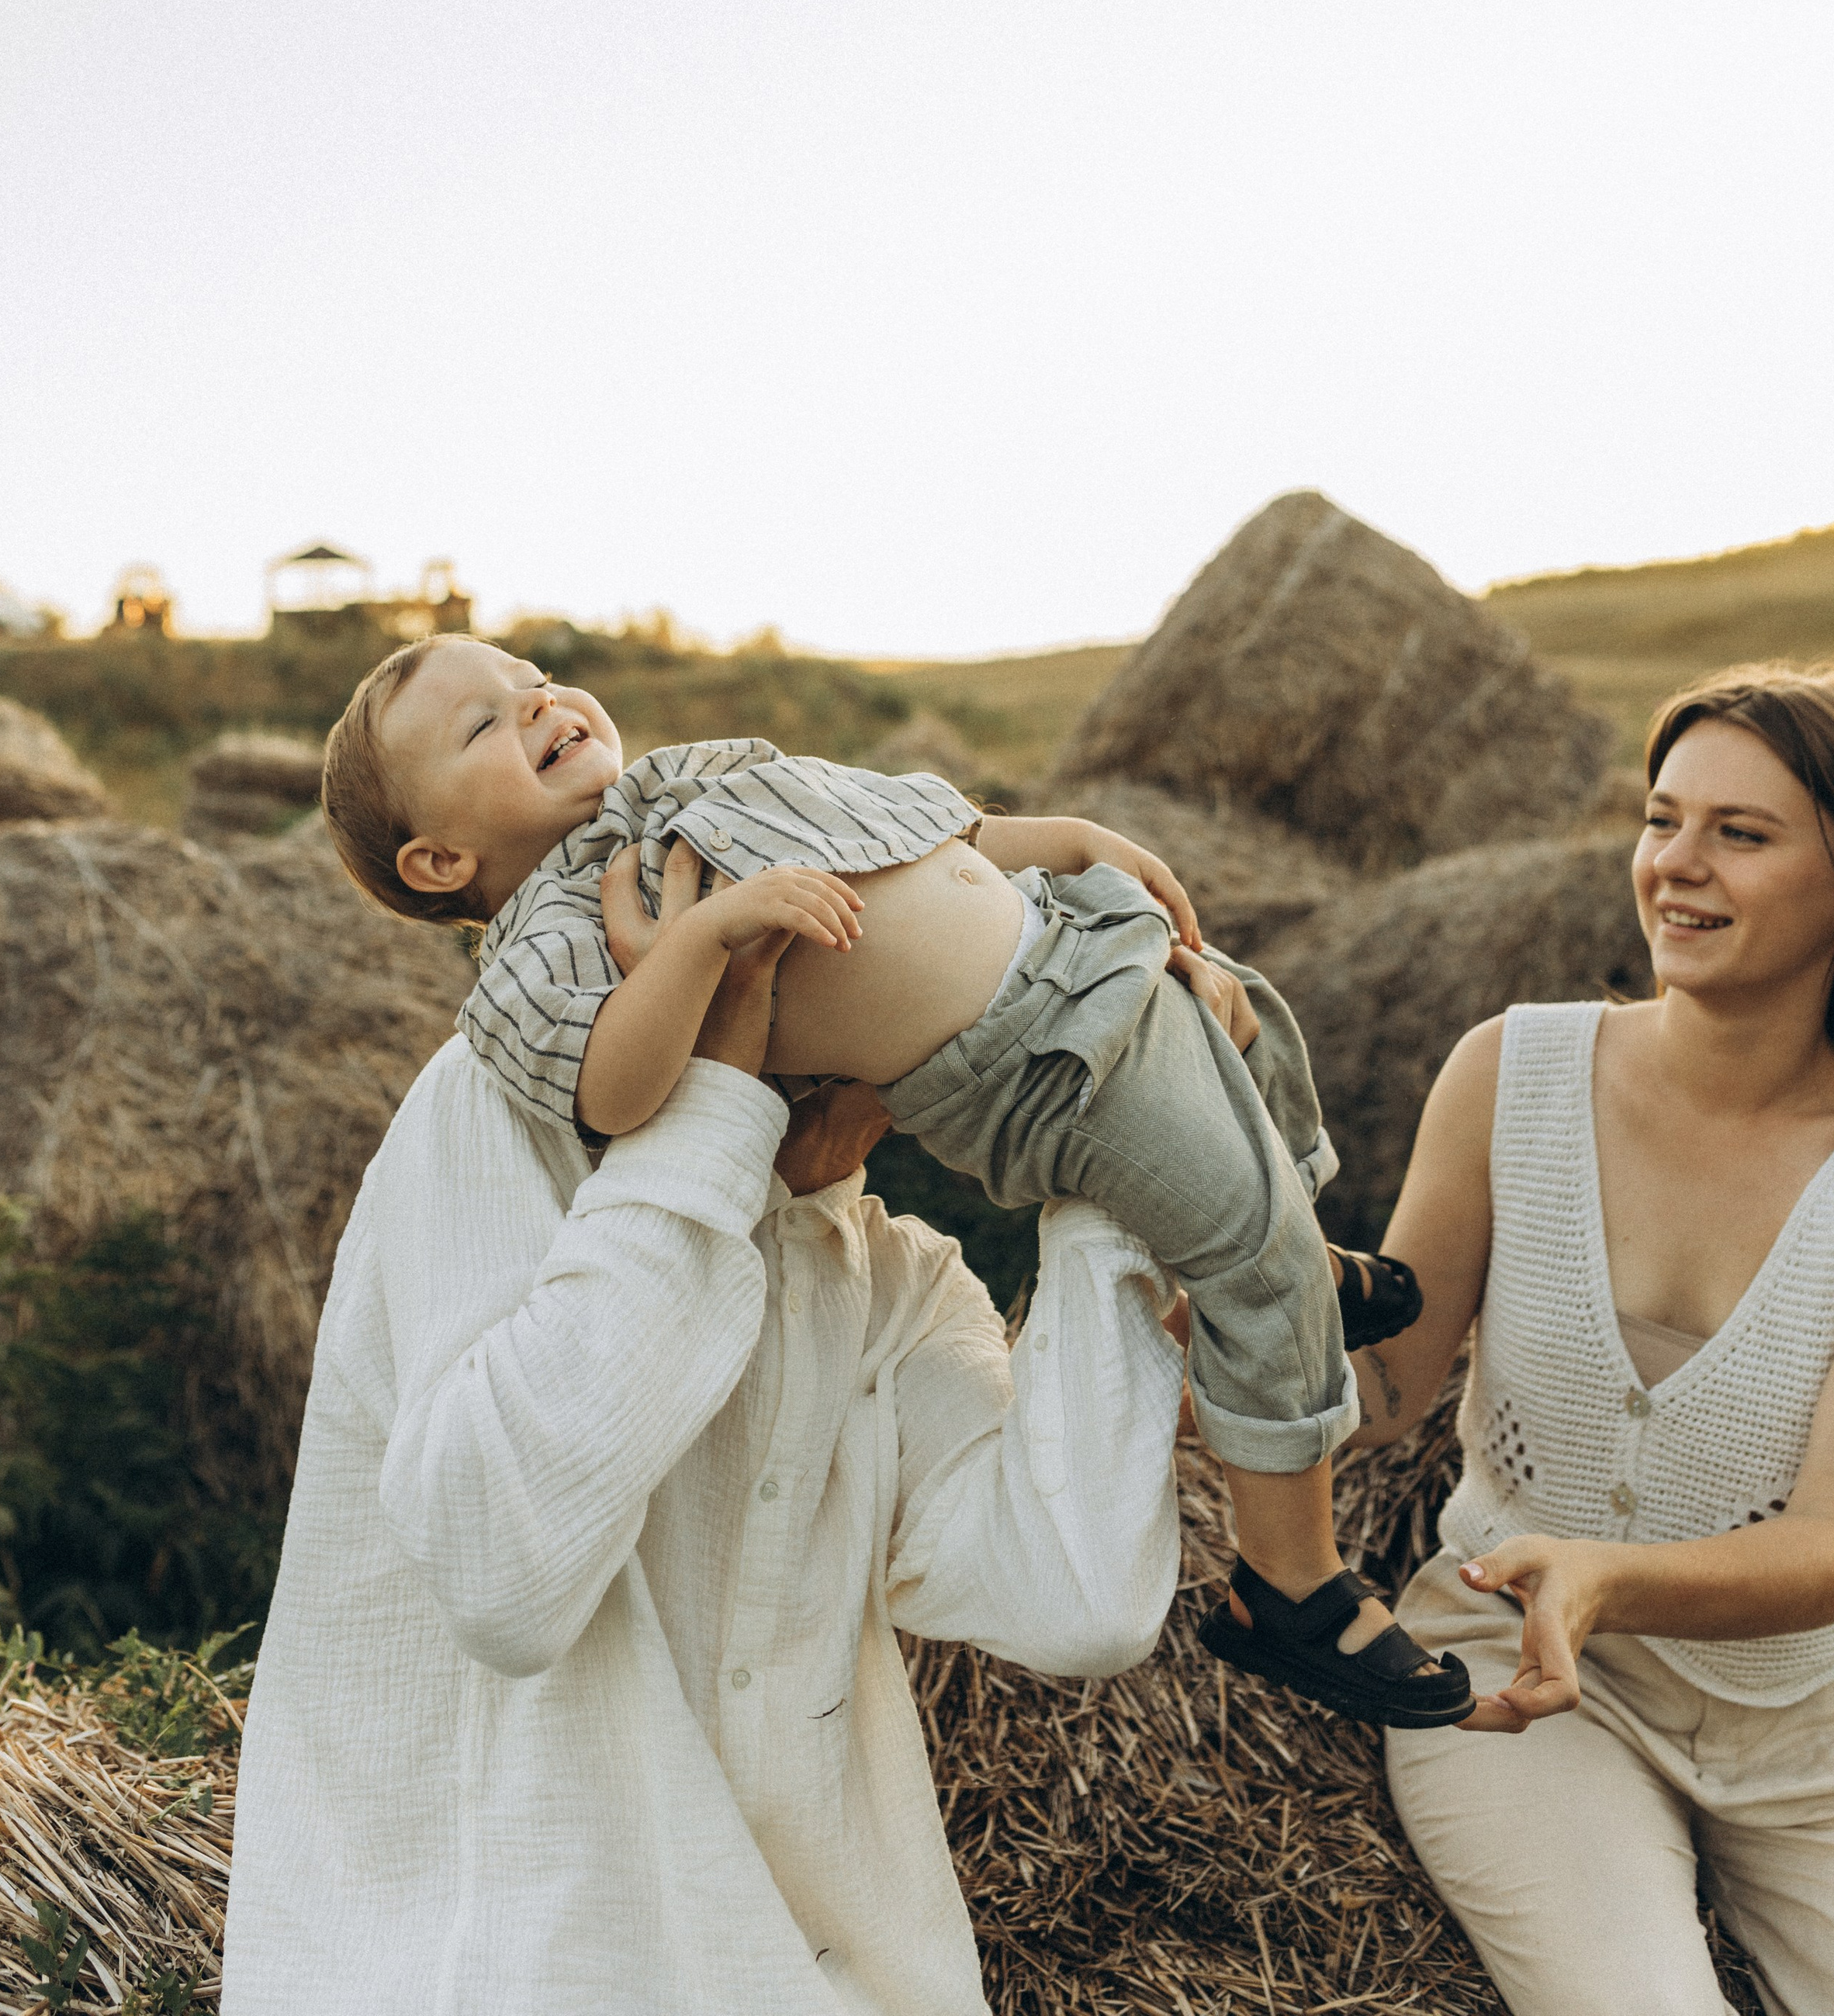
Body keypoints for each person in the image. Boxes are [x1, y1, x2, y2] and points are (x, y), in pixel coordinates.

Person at [316, 631, 1462, 1730]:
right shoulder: (537, 958)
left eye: (536, 679)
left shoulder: (677, 789)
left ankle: (1294, 1266)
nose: (537, 704)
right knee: (1243, 1244)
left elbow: (882, 821)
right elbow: (613, 1086)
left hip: (1069, 948)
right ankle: (1294, 1583)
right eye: (484, 721)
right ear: (438, 860)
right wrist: (702, 943)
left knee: (1251, 1029)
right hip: (1030, 1058)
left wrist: (1056, 840)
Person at [222, 868, 1188, 2012]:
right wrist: (724, 1114)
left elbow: (1077, 1596)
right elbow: (502, 1574)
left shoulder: (898, 1279)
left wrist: (1120, 1175)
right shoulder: (495, 1108)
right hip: (503, 1973)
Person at [1341, 662, 1834, 2016]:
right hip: (1529, 1691)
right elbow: (1383, 1389)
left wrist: (1604, 1573)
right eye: (1662, 819)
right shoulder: (1509, 1070)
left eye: (1742, 833)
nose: (1676, 865)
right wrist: (1221, 1306)